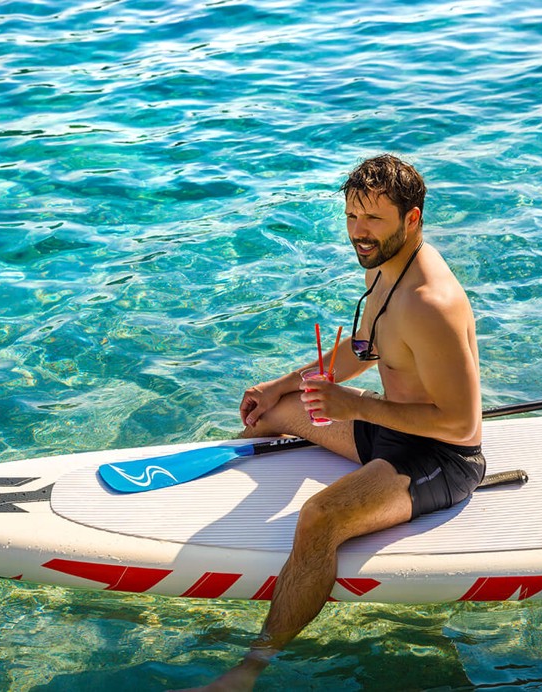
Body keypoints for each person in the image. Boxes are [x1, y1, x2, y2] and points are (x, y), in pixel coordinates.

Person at [189, 154, 485, 691]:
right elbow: (365, 346)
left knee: (319, 517)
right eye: (351, 217)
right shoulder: (384, 266)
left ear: (411, 219)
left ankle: (251, 667)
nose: (358, 233)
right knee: (271, 415)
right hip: (386, 428)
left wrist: (354, 406)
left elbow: (463, 424)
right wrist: (281, 385)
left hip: (436, 457)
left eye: (372, 219)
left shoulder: (431, 302)